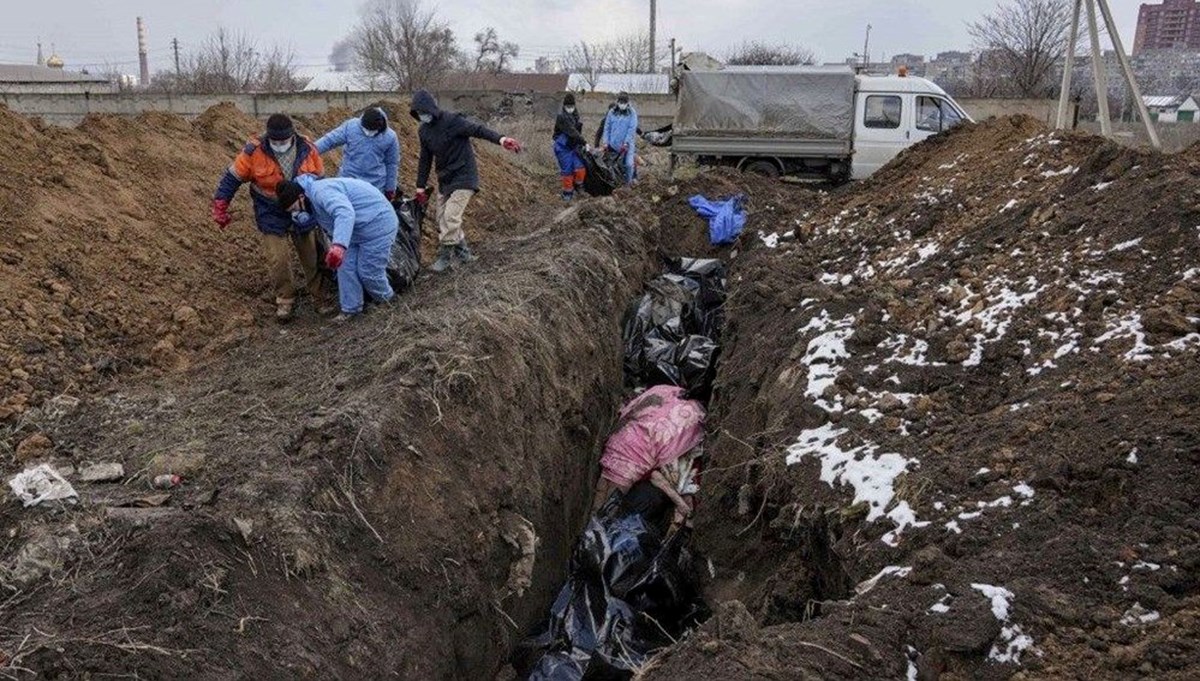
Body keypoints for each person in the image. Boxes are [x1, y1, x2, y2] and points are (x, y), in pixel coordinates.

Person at [211, 113, 328, 322]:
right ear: (268, 137)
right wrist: (221, 204)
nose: (280, 145)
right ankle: (285, 300)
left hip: (301, 206)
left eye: (284, 141)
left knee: (311, 255)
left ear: (292, 135)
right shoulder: (254, 151)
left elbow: (320, 180)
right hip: (270, 209)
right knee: (278, 259)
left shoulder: (307, 149)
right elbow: (232, 178)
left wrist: (321, 209)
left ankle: (320, 297)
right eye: (275, 141)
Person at [409, 89, 523, 273]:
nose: (422, 116)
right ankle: (463, 253)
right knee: (441, 220)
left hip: (464, 175)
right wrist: (420, 187)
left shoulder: (452, 121)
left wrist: (501, 139)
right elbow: (425, 159)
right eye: (418, 113)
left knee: (451, 216)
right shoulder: (424, 131)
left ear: (431, 109)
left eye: (424, 111)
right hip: (445, 179)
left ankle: (444, 257)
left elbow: (478, 130)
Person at [275, 175, 398, 322]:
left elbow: (345, 213)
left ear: (301, 197)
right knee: (345, 267)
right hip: (355, 231)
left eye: (295, 208)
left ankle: (388, 302)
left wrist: (339, 246)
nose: (296, 213)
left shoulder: (322, 192)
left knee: (368, 271)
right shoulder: (310, 201)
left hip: (377, 224)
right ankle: (351, 310)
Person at [315, 107, 401, 200]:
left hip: (375, 186)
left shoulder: (390, 137)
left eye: (372, 131)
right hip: (348, 181)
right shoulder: (351, 127)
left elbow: (392, 164)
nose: (368, 133)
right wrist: (310, 151)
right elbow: (329, 140)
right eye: (366, 130)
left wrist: (390, 188)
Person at [598, 92, 639, 185]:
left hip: (627, 145)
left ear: (628, 103)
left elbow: (631, 129)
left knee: (628, 164)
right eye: (620, 102)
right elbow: (607, 128)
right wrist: (606, 142)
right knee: (613, 165)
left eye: (624, 102)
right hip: (613, 144)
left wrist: (626, 143)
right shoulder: (612, 112)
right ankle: (617, 182)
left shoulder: (632, 113)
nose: (622, 104)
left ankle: (628, 184)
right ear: (617, 102)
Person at [553, 93, 588, 201]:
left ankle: (579, 187)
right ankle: (567, 194)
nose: (570, 109)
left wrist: (580, 143)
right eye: (568, 107)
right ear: (564, 106)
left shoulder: (575, 115)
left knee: (580, 168)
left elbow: (577, 130)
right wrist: (584, 142)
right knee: (567, 171)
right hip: (562, 147)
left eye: (572, 106)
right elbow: (572, 131)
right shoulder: (561, 117)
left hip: (573, 146)